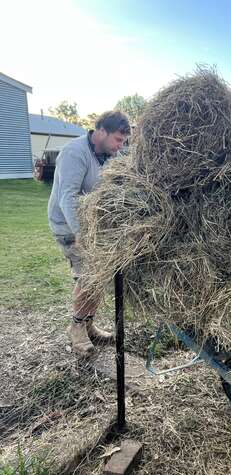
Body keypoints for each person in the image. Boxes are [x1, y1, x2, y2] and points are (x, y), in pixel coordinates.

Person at [48, 111, 131, 358]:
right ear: (101, 131)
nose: (120, 147)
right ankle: (76, 329)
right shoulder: (75, 153)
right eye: (118, 139)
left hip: (92, 228)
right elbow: (68, 197)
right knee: (88, 278)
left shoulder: (107, 155)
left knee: (99, 277)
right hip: (69, 227)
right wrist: (80, 233)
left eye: (123, 142)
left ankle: (89, 324)